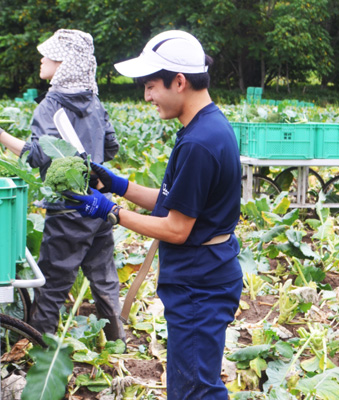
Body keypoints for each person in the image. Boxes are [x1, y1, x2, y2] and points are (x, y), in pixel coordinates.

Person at [64, 30, 243, 399]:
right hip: (203, 275)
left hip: (199, 284)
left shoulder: (199, 143)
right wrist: (117, 185)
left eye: (150, 86)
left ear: (179, 82)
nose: (146, 96)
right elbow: (172, 202)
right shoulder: (204, 127)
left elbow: (176, 229)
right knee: (189, 383)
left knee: (197, 390)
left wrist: (112, 212)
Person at [0, 29, 126, 342]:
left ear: (63, 63)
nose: (42, 59)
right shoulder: (94, 101)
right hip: (99, 203)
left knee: (54, 281)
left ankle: (37, 346)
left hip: (69, 207)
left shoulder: (51, 105)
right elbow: (111, 147)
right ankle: (116, 341)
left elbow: (37, 154)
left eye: (49, 55)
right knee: (104, 277)